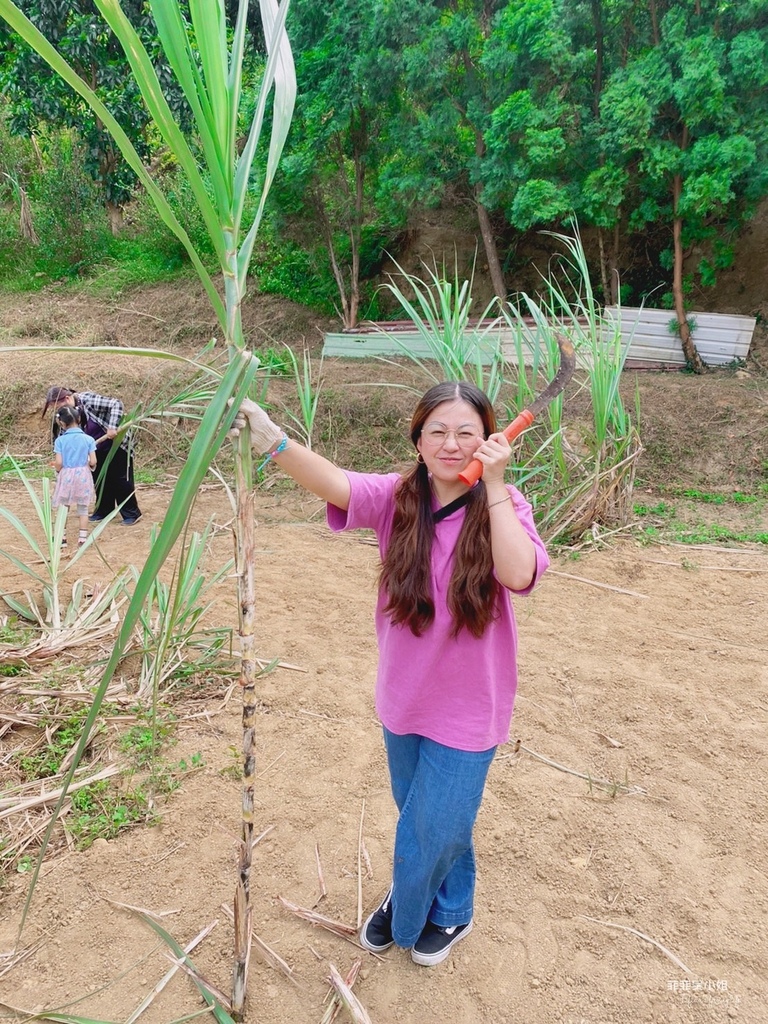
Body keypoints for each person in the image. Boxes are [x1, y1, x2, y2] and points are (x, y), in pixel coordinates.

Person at [231, 381, 549, 967]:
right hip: (403, 700)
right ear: (419, 439)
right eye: (438, 431)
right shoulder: (398, 499)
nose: (451, 444)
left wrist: (498, 486)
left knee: (434, 822)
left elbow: (519, 573)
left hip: (471, 706)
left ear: (489, 440)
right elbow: (335, 481)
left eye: (467, 433)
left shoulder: (506, 505)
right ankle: (441, 901)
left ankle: (424, 907)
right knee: (426, 815)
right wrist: (271, 439)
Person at [42, 386, 142, 525]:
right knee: (99, 479)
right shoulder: (67, 413)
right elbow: (64, 435)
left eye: (58, 405)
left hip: (117, 444)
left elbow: (116, 403)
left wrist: (112, 427)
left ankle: (131, 513)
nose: (58, 410)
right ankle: (104, 511)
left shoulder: (87, 399)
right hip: (94, 449)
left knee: (120, 480)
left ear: (67, 398)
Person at [51, 404, 97, 549]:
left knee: (64, 507)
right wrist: (89, 465)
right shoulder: (89, 439)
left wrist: (58, 470)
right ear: (78, 419)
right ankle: (82, 539)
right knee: (83, 508)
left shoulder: (60, 441)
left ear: (61, 423)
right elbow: (94, 461)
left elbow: (59, 462)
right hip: (83, 474)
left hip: (67, 475)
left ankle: (62, 538)